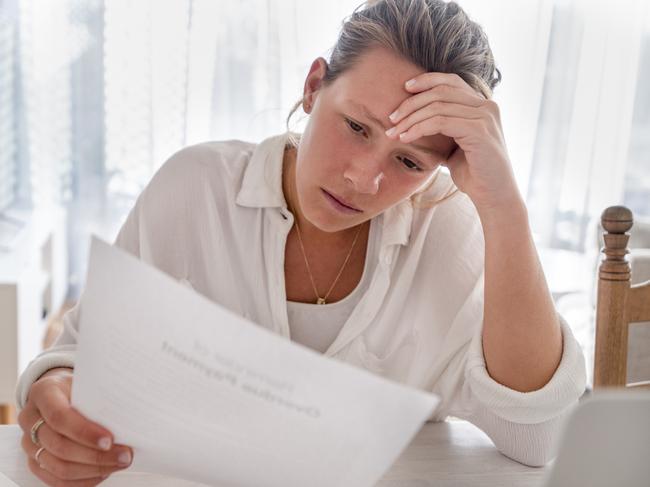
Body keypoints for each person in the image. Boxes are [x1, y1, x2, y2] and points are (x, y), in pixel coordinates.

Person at [15, 0, 587, 485]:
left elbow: (537, 435)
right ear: (314, 86)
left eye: (410, 161)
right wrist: (55, 396)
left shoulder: (451, 235)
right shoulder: (195, 188)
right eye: (357, 127)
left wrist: (503, 205)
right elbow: (80, 358)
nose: (364, 179)